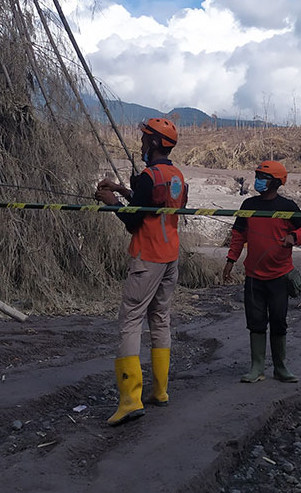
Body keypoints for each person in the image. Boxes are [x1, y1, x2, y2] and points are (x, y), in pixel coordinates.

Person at [94, 118, 187, 426]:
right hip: (169, 256)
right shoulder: (175, 176)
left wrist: (112, 203)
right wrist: (122, 189)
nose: (142, 143)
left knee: (131, 320)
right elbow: (151, 206)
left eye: (145, 138)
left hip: (147, 257)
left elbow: (135, 221)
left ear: (156, 143)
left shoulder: (149, 176)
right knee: (160, 319)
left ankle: (130, 399)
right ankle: (160, 391)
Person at [222, 160, 301, 383]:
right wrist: (230, 261)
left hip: (280, 276)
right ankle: (257, 368)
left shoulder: (288, 207)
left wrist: (293, 237)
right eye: (257, 175)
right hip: (253, 276)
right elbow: (238, 235)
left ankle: (280, 368)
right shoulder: (248, 205)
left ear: (276, 182)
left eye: (263, 177)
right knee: (256, 321)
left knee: (279, 321)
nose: (258, 181)